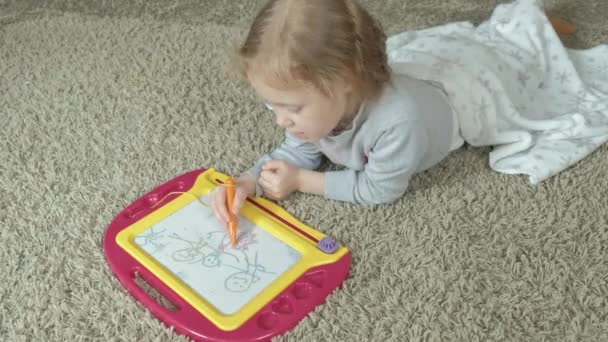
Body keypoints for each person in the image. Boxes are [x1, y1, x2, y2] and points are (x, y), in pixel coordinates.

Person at [210, 0, 606, 227]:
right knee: (470, 45)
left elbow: (381, 189)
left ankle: (535, 29)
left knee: (524, 62)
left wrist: (302, 181)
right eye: (272, 104)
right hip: (418, 77)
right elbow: (297, 148)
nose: (281, 120)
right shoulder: (316, 106)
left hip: (464, 92)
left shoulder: (398, 122)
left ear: (346, 82)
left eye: (292, 108)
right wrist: (249, 182)